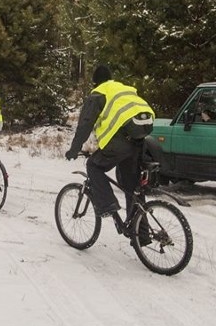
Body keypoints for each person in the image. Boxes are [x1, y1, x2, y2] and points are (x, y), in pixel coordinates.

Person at [65, 65, 155, 222]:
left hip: (119, 142)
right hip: (139, 140)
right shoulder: (123, 89)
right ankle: (140, 235)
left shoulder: (99, 92)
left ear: (95, 82)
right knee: (131, 189)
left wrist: (74, 149)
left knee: (93, 166)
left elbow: (85, 124)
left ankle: (108, 205)